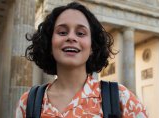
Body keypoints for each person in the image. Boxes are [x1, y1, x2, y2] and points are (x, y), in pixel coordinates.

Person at [15, 2, 148, 118]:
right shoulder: (28, 102)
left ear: (92, 47)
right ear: (49, 44)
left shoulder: (121, 98)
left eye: (80, 33)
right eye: (62, 32)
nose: (71, 37)